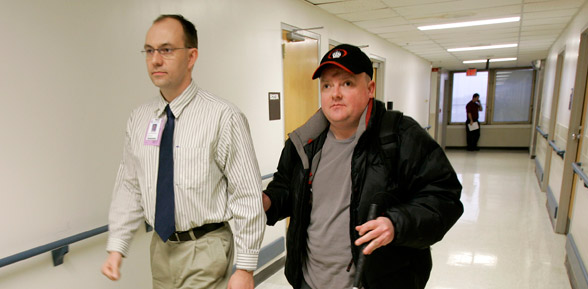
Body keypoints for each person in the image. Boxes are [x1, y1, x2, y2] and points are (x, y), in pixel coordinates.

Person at [262, 44, 463, 289]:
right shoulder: (304, 143)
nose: (335, 93)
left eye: (347, 83)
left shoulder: (401, 137)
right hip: (309, 280)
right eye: (327, 85)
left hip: (377, 281)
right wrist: (267, 201)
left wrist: (395, 224)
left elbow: (444, 197)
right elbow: (286, 188)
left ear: (370, 89)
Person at [101, 15, 265, 289]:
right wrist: (117, 247)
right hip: (161, 248)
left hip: (207, 248)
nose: (155, 60)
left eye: (166, 50)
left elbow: (246, 193)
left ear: (191, 57)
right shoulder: (140, 118)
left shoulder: (223, 116)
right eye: (149, 51)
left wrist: (246, 267)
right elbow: (129, 186)